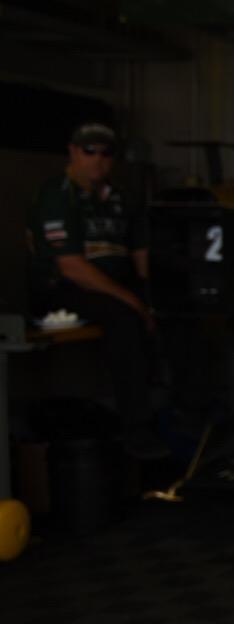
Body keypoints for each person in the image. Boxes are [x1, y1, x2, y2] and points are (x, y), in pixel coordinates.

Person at [27, 121, 165, 460]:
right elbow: (71, 266)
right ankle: (138, 430)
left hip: (115, 288)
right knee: (124, 316)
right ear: (73, 152)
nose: (99, 159)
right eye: (90, 151)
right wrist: (135, 302)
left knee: (171, 311)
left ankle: (182, 415)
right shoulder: (57, 195)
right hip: (62, 293)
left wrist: (150, 298)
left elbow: (140, 251)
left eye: (106, 152)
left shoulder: (120, 197)